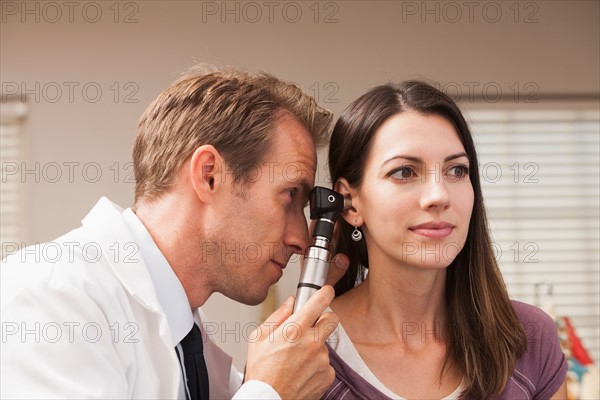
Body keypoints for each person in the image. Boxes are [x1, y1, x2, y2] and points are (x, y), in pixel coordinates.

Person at [1, 67, 350, 399]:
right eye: (290, 196)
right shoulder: (49, 295)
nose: (300, 240)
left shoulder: (190, 341)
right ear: (209, 174)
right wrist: (270, 392)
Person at [322, 81, 568, 399]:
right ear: (350, 203)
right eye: (404, 172)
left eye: (456, 170)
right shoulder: (305, 352)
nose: (439, 195)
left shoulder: (531, 339)